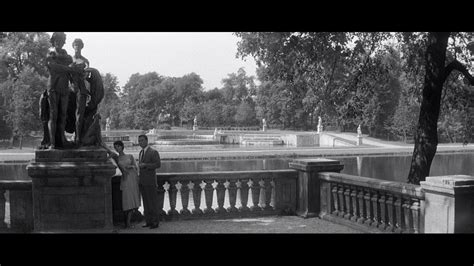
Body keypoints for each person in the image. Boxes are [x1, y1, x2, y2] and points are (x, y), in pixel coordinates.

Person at [102, 140, 141, 229]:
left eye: (118, 146)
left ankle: (128, 223)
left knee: (132, 200)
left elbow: (136, 167)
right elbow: (107, 154)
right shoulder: (116, 157)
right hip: (125, 179)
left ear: (122, 146)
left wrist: (131, 167)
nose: (117, 148)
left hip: (133, 178)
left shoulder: (130, 156)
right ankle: (127, 223)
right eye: (115, 147)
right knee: (127, 201)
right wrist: (103, 147)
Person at [45, 32, 74, 149]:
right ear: (54, 40)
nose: (60, 42)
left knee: (63, 115)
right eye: (58, 40)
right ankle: (52, 143)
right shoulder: (50, 53)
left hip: (64, 87)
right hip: (53, 86)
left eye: (62, 40)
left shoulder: (66, 55)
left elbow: (69, 65)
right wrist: (68, 68)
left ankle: (61, 140)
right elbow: (53, 67)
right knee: (53, 115)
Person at [69, 38, 90, 147]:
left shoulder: (85, 61)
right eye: (75, 45)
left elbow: (86, 74)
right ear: (73, 46)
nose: (77, 47)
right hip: (70, 89)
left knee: (79, 114)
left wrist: (74, 69)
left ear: (81, 47)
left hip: (81, 90)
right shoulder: (69, 60)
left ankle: (78, 137)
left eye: (79, 45)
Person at [137, 134, 161, 229]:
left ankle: (155, 222)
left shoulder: (153, 152)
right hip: (143, 182)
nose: (140, 142)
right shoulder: (141, 152)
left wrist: (146, 165)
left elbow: (158, 164)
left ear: (147, 141)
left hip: (150, 182)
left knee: (152, 203)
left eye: (142, 140)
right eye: (139, 141)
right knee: (146, 203)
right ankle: (148, 221)